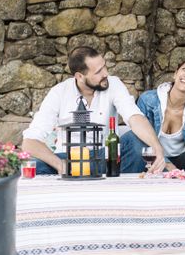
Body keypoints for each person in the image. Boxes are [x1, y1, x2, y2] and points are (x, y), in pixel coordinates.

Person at [21, 46, 165, 175]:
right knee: (32, 167)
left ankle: (120, 190)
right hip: (68, 158)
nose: (105, 74)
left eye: (104, 67)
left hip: (104, 157)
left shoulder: (113, 83)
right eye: (98, 72)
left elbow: (134, 117)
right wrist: (61, 165)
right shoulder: (59, 92)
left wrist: (157, 148)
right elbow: (29, 142)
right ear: (79, 76)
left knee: (136, 141)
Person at [121, 56, 185, 171]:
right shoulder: (148, 100)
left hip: (183, 159)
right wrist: (166, 163)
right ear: (175, 74)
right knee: (135, 140)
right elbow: (139, 137)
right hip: (154, 158)